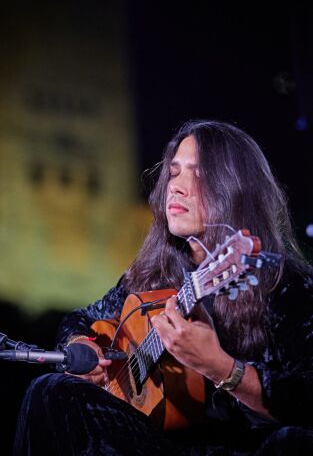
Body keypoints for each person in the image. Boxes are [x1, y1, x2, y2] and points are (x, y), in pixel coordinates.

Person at [14, 120, 313, 455]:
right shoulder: (152, 275)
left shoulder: (289, 287)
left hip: (244, 448)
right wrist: (82, 344)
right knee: (51, 390)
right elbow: (80, 319)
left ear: (236, 188)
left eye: (199, 174)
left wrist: (221, 368)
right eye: (174, 172)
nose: (177, 187)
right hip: (163, 445)